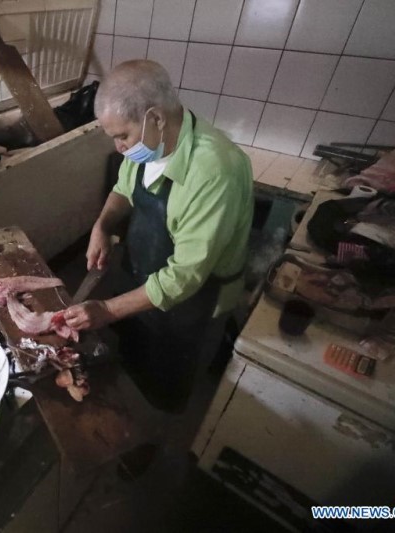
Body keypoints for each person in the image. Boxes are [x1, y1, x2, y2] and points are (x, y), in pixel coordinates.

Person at [62, 60, 254, 411]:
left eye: (122, 135)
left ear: (157, 118)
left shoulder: (214, 172)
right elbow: (124, 189)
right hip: (142, 273)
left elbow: (185, 276)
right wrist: (102, 226)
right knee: (132, 356)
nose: (119, 147)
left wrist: (106, 308)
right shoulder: (149, 144)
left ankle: (154, 443)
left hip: (191, 300)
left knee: (167, 380)